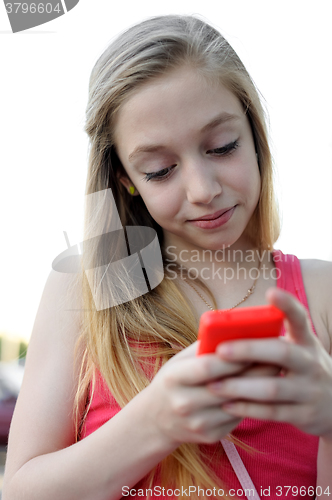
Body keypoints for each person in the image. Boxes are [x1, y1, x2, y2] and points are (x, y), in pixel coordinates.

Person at [3, 14, 332, 500]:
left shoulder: (320, 291)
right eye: (160, 170)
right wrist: (155, 421)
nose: (203, 190)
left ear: (255, 134)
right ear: (125, 179)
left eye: (222, 147)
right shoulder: (83, 287)